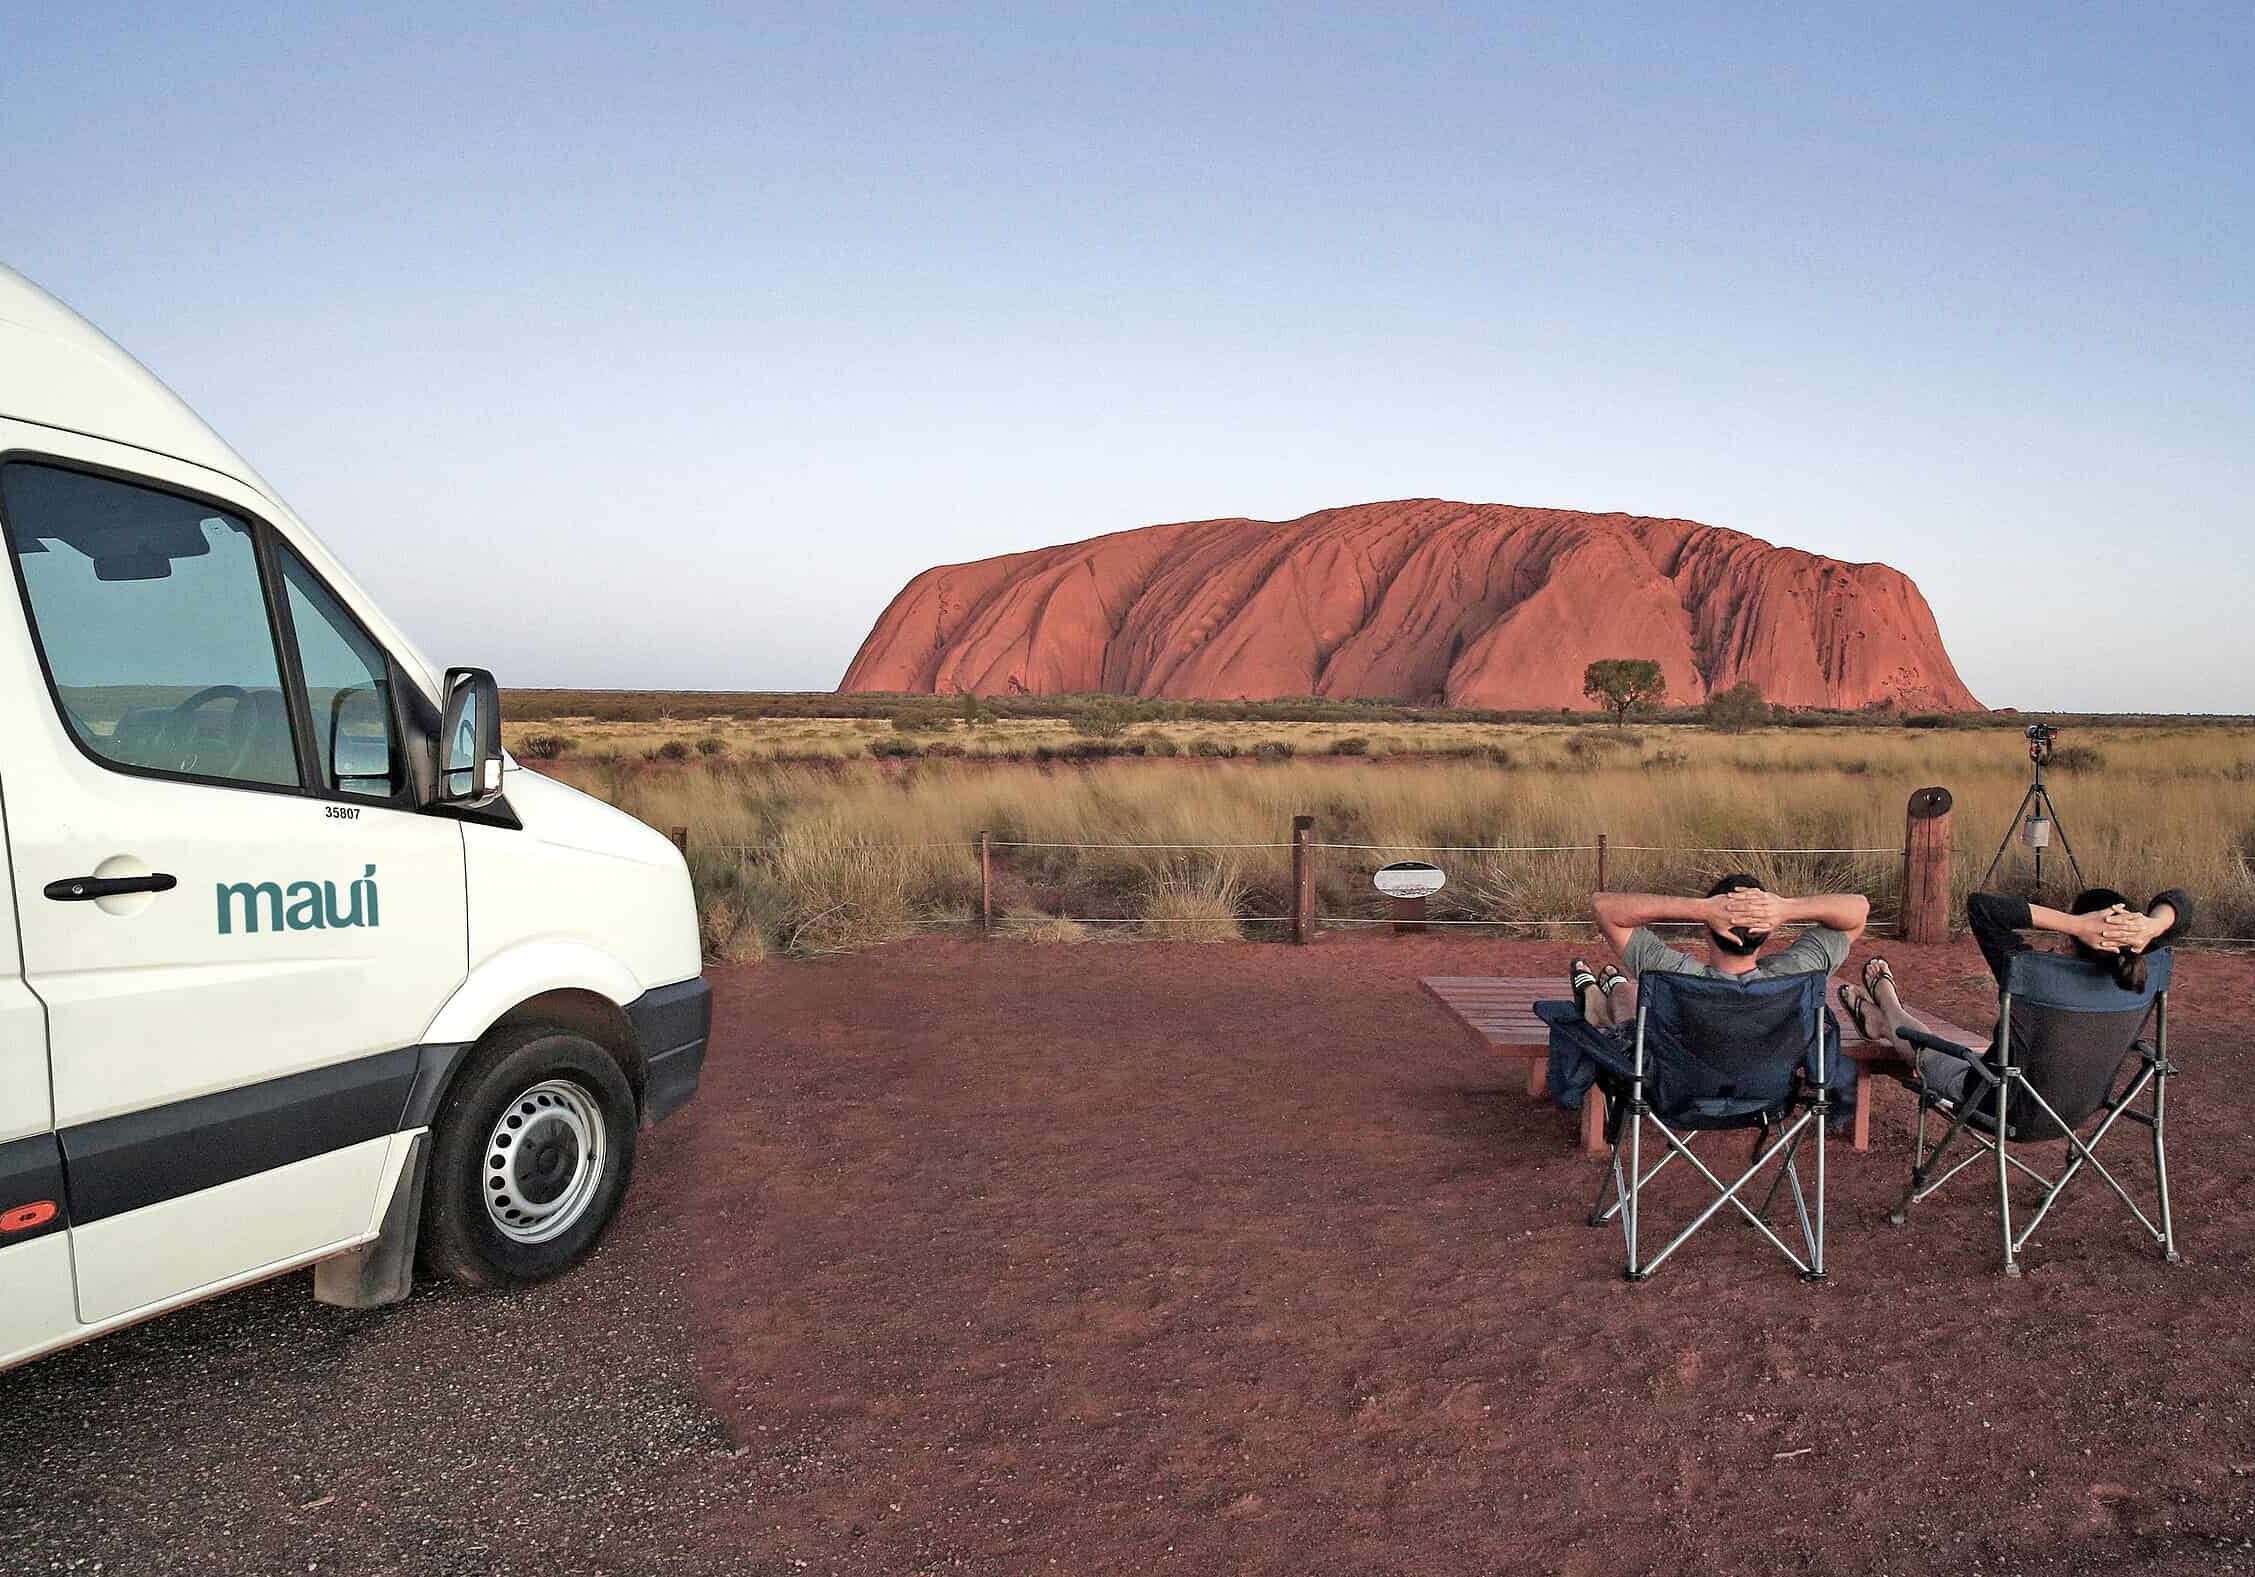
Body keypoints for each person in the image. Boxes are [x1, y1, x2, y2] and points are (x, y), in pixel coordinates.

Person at [1838, 887, 2192, 1108]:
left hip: (1995, 1099)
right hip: (2081, 1106)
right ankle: (1883, 1014)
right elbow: (2182, 903)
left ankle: (1888, 1009)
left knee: (1927, 1047)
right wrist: (2152, 926)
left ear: (2071, 940)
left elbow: (1982, 907)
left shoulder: (2035, 974)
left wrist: (2074, 923)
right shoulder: (2143, 974)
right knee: (1946, 1049)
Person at [1567, 874, 1871, 1031]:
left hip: (1679, 1092)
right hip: (1772, 1095)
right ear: (1769, 932)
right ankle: (1606, 992)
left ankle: (1603, 994)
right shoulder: (1799, 971)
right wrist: (1787, 908)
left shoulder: (1674, 974)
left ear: (1705, 929)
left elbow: (1603, 907)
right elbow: (1859, 909)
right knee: (1627, 992)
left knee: (1626, 993)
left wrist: (1700, 909)